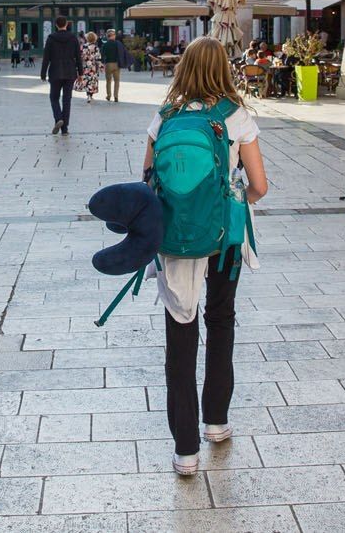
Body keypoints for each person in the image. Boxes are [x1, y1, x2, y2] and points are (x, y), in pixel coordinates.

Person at [145, 37, 268, 477]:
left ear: (184, 68)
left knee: (181, 333)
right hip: (224, 238)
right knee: (221, 318)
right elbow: (259, 185)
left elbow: (145, 182)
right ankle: (216, 421)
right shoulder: (237, 117)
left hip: (176, 241)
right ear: (224, 69)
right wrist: (235, 199)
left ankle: (185, 450)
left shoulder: (164, 119)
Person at [40, 16, 82, 135]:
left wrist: (43, 73)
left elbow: (46, 58)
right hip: (70, 72)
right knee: (67, 100)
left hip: (55, 72)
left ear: (56, 25)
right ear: (67, 24)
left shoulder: (51, 38)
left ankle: (58, 119)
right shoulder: (73, 38)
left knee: (54, 98)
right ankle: (65, 129)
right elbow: (78, 57)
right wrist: (81, 73)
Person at [76, 31, 101, 103]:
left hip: (85, 66)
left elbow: (80, 56)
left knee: (86, 80)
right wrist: (101, 67)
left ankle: (88, 95)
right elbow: (98, 58)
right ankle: (90, 95)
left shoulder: (83, 46)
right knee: (92, 80)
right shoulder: (96, 47)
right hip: (93, 66)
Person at [101, 28, 122, 102]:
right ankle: (116, 96)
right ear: (112, 35)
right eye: (114, 34)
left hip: (108, 64)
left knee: (108, 81)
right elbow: (121, 54)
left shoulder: (105, 45)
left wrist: (102, 63)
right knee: (117, 81)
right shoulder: (118, 44)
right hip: (116, 64)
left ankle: (108, 95)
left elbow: (102, 55)